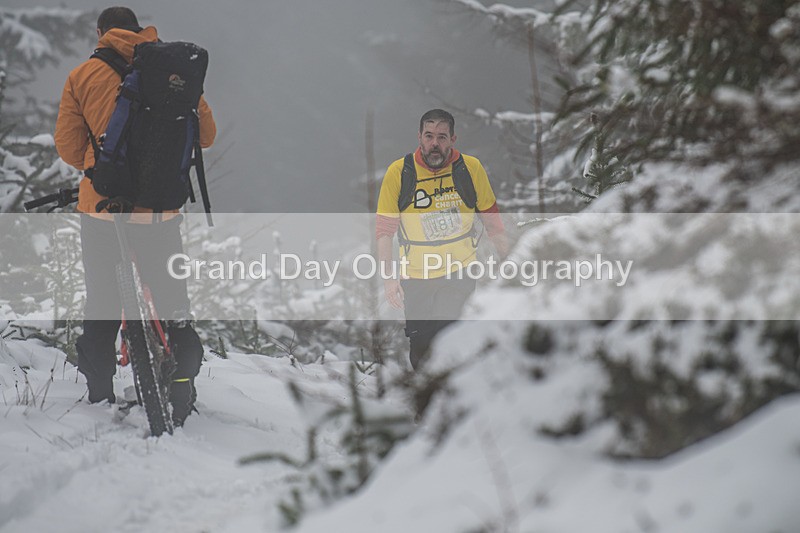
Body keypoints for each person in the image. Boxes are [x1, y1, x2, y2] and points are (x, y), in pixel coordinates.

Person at [54, 7, 217, 426]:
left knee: (103, 303)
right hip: (160, 212)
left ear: (101, 32)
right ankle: (182, 385)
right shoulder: (171, 69)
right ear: (139, 29)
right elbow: (207, 135)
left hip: (103, 211)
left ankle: (99, 394)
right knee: (172, 303)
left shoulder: (82, 76)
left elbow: (70, 151)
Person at [376, 109, 508, 370]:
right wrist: (389, 278)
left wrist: (510, 262)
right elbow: (384, 231)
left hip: (460, 271)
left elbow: (493, 222)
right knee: (421, 346)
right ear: (419, 137)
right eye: (429, 136)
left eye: (441, 137)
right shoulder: (400, 173)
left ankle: (452, 399)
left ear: (453, 139)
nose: (434, 144)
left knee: (451, 338)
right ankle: (427, 403)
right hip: (416, 275)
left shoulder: (470, 168)